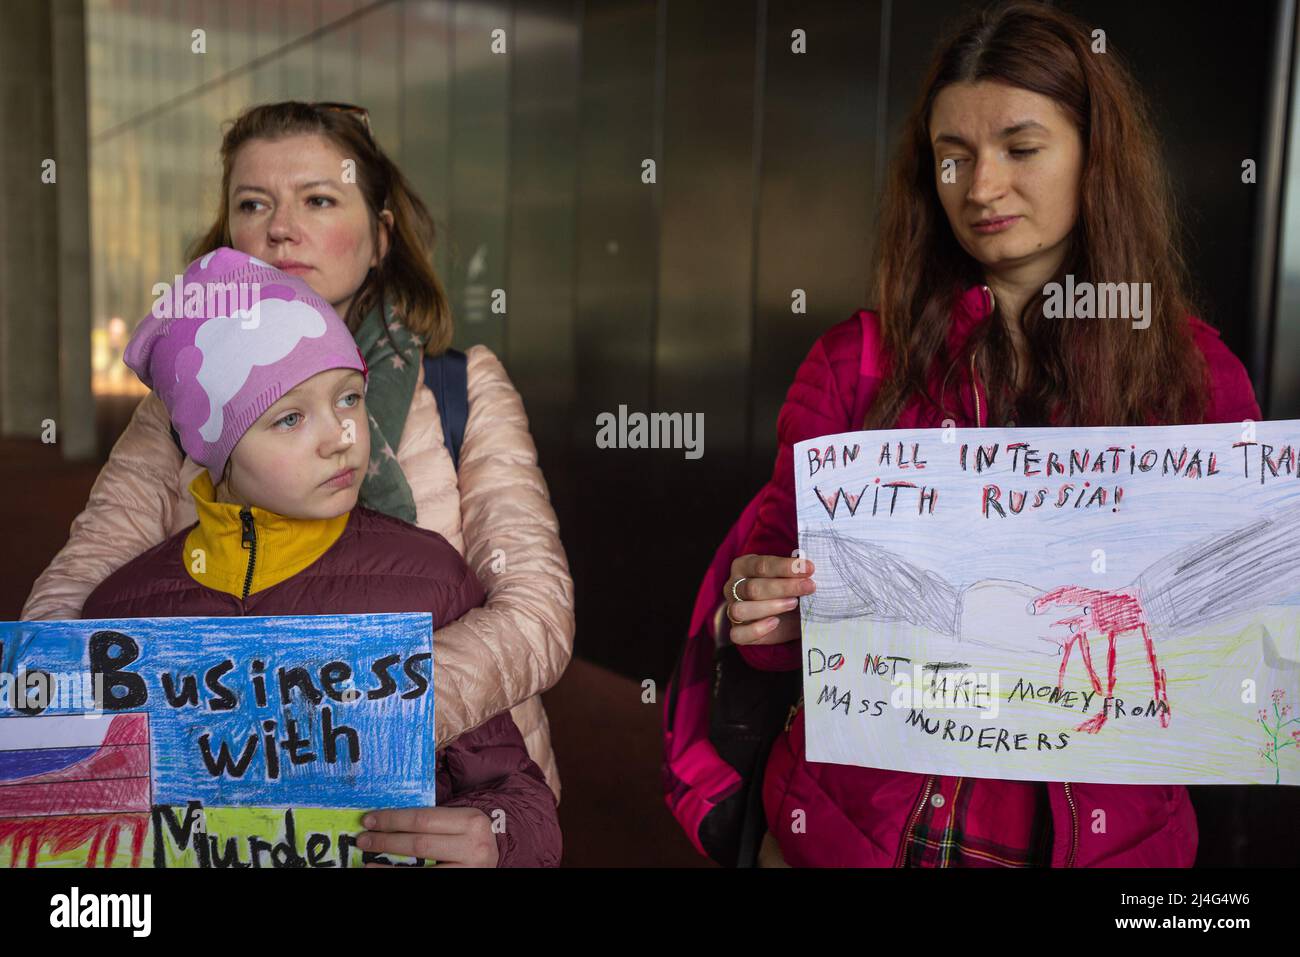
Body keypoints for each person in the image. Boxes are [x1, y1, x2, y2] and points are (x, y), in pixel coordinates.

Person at [718, 1, 1261, 867]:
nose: (980, 187)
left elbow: (1237, 647)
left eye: (1021, 147)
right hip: (852, 835)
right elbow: (772, 599)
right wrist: (756, 610)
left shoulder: (1196, 378)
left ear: (1095, 156)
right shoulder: (853, 364)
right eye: (954, 157)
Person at [22, 102, 574, 854]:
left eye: (318, 199)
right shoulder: (179, 408)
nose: (281, 228)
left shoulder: (460, 388)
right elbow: (76, 591)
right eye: (254, 204)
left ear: (380, 237)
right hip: (216, 813)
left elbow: (538, 610)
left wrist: (346, 716)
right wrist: (74, 709)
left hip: (448, 792)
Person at [81, 248, 561, 867]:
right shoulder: (118, 616)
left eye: (349, 398)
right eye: (288, 418)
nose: (342, 436)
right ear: (214, 450)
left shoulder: (432, 579)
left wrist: (496, 840)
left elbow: (516, 795)